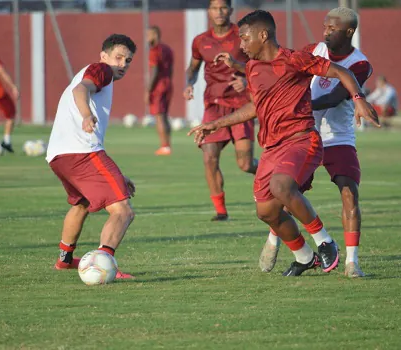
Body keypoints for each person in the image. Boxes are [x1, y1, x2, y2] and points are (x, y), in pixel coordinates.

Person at [190, 10, 380, 276]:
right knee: (266, 211)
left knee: (284, 186)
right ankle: (304, 256)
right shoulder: (254, 67)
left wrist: (359, 100)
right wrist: (215, 124)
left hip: (302, 138)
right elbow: (254, 107)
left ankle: (326, 242)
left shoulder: (295, 59)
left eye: (244, 38)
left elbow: (341, 73)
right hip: (272, 147)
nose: (241, 45)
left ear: (263, 35)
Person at [259, 7, 373, 278]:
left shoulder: (359, 63)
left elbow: (335, 97)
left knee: (349, 193)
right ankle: (274, 238)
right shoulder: (314, 49)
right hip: (304, 134)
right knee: (286, 194)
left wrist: (298, 104)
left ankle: (351, 263)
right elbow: (287, 73)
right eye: (324, 27)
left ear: (349, 31)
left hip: (337, 137)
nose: (325, 32)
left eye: (332, 29)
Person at [46, 34, 137, 279]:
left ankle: (65, 259)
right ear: (104, 56)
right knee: (123, 211)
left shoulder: (95, 71)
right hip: (82, 153)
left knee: (82, 204)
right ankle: (104, 261)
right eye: (118, 57)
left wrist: (118, 176)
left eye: (128, 61)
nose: (122, 64)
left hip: (59, 156)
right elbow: (81, 90)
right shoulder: (102, 70)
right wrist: (87, 115)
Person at [184, 0, 259, 221]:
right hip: (214, 105)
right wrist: (188, 83)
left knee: (245, 164)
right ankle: (220, 210)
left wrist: (246, 80)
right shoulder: (200, 41)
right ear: (209, 11)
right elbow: (193, 68)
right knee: (209, 158)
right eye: (215, 8)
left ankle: (275, 174)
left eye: (223, 7)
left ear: (231, 10)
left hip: (241, 104)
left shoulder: (243, 35)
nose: (219, 12)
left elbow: (261, 64)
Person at [146, 26, 174, 155]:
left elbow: (155, 71)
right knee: (164, 115)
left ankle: (164, 146)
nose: (147, 37)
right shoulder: (168, 49)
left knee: (159, 116)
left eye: (149, 35)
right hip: (168, 83)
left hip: (159, 86)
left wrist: (148, 90)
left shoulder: (154, 50)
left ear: (155, 35)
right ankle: (167, 145)